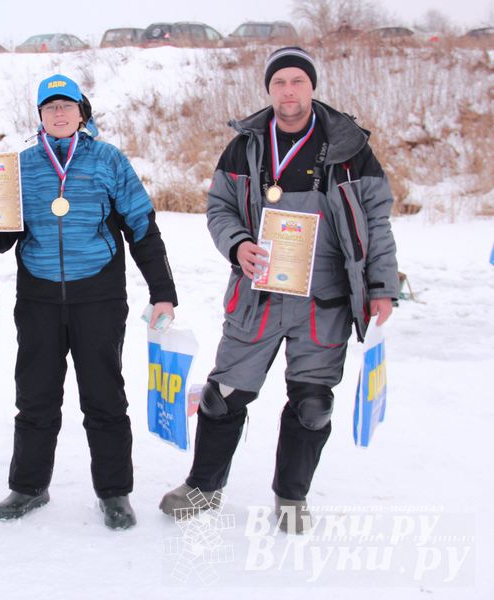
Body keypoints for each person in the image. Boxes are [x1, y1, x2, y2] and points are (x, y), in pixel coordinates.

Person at [159, 47, 399, 534]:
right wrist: (237, 244)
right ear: (269, 90)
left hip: (324, 298)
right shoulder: (245, 146)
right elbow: (219, 207)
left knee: (313, 405)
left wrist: (382, 286)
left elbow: (376, 220)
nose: (289, 91)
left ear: (312, 86)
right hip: (258, 292)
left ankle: (292, 498)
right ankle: (204, 487)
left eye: (297, 81)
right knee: (224, 395)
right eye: (279, 83)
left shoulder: (349, 148)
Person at [0, 74, 177, 530]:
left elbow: (141, 226)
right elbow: (3, 238)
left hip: (99, 296)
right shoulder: (20, 166)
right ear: (40, 115)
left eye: (66, 105)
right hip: (39, 298)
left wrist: (163, 292)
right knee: (35, 396)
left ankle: (114, 492)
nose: (58, 113)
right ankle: (28, 486)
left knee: (104, 397)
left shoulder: (108, 159)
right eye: (50, 107)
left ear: (81, 112)